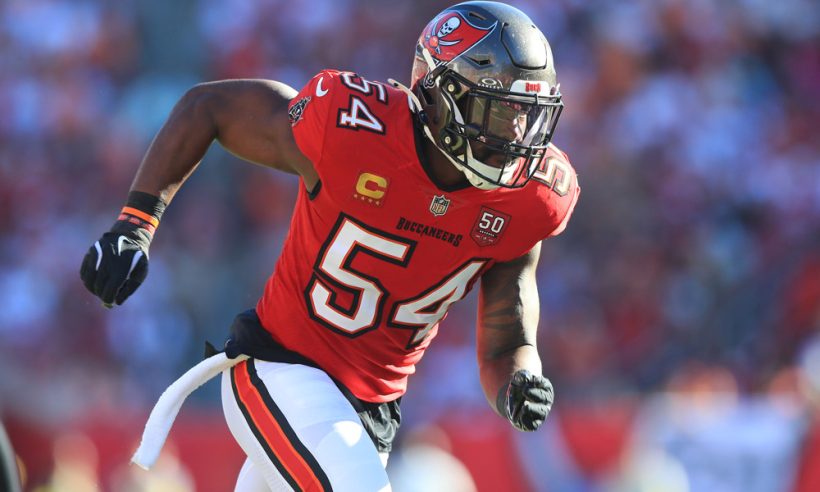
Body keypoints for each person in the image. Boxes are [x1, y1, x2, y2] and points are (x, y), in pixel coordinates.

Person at [80, 1, 579, 490]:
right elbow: (207, 107)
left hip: (370, 413)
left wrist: (520, 383)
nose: (517, 134)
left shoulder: (532, 198)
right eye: (499, 111)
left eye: (526, 113)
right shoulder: (355, 128)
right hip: (280, 368)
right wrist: (135, 225)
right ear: (438, 96)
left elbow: (507, 342)